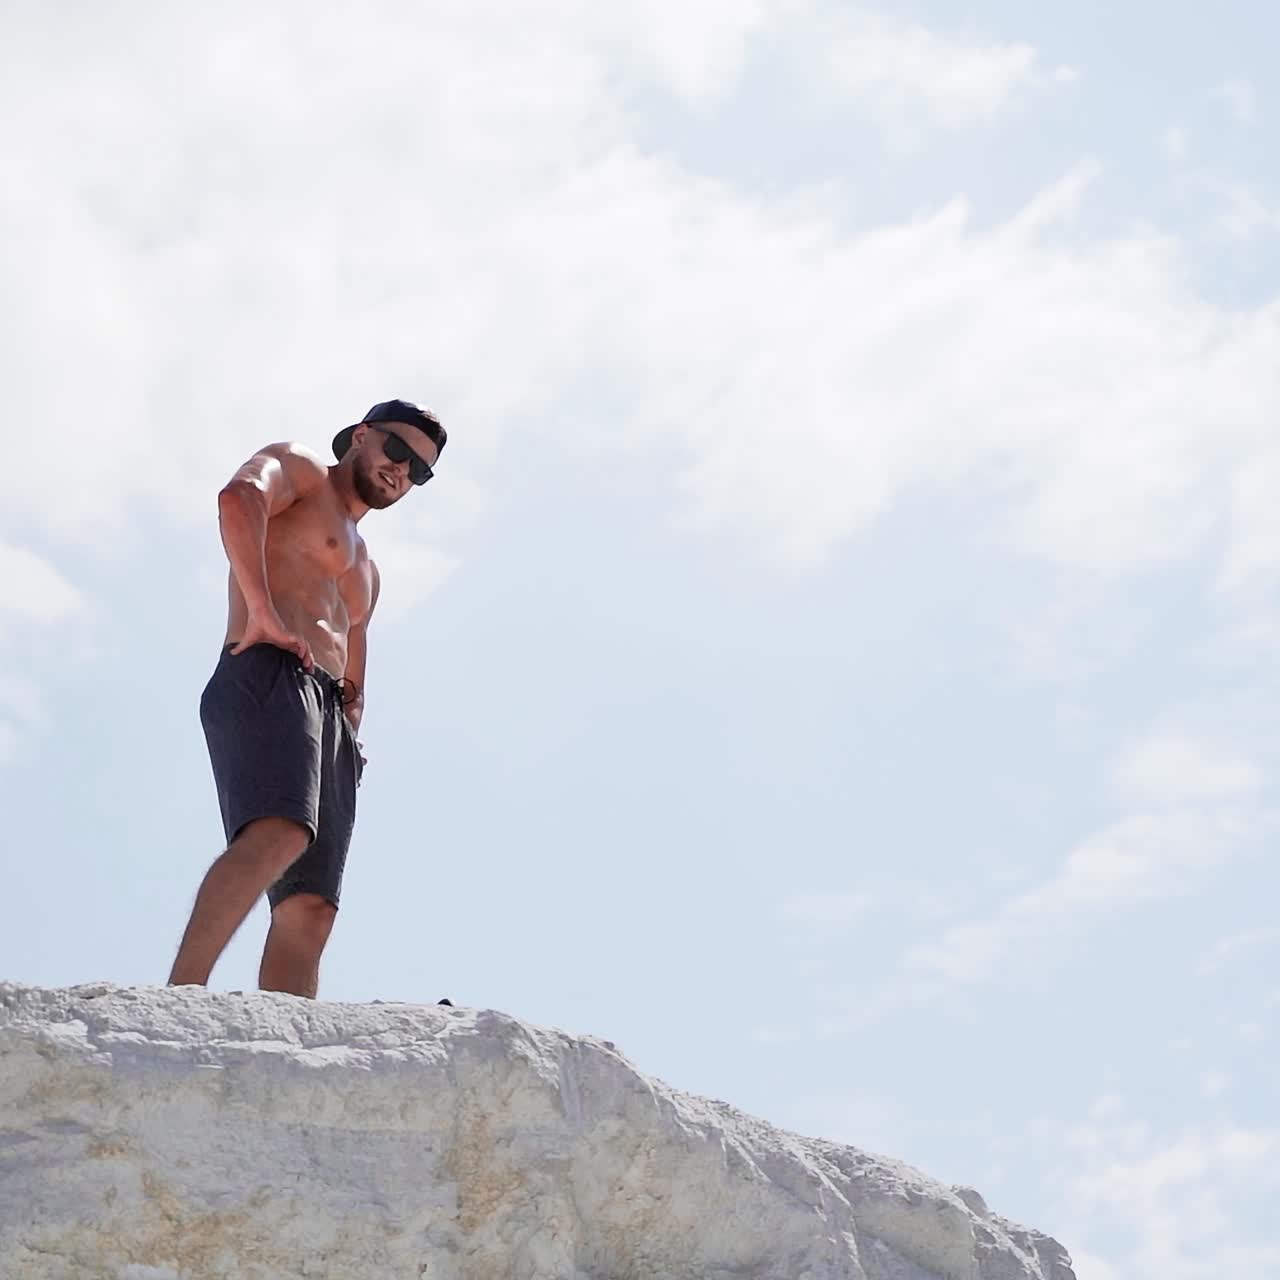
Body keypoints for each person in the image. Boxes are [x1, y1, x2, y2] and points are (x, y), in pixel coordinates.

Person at [168, 399, 446, 999]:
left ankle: (284, 1032)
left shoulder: (367, 566)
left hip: (328, 717)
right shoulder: (301, 470)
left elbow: (354, 644)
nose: (402, 470)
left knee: (312, 904)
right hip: (269, 666)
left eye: (419, 470)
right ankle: (180, 994)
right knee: (280, 832)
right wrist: (261, 611)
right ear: (362, 435)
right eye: (398, 449)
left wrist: (351, 724)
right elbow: (238, 498)